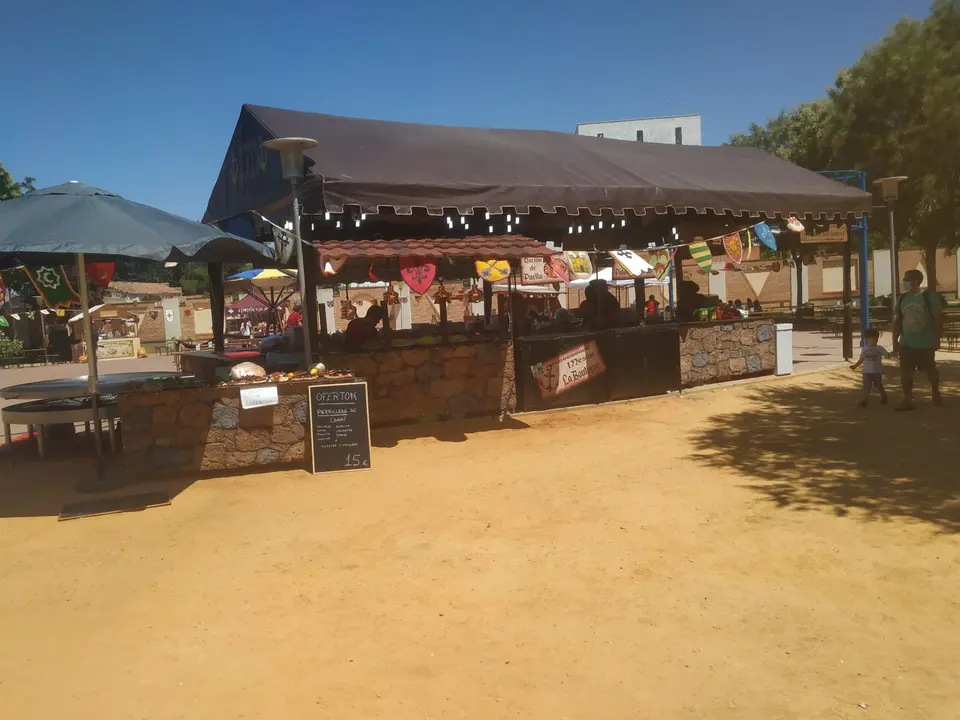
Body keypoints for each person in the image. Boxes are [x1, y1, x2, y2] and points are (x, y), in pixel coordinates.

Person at [893, 269, 943, 410]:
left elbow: (937, 319)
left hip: (925, 344)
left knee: (931, 372)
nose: (904, 281)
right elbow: (897, 320)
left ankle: (935, 391)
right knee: (905, 373)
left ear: (916, 281)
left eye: (907, 279)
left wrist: (936, 339)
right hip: (906, 344)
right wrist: (894, 340)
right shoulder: (902, 299)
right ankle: (907, 400)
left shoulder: (928, 297)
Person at [850, 327, 889, 408]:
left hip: (877, 371)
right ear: (866, 339)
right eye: (871, 338)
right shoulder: (865, 349)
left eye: (875, 338)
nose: (873, 340)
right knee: (866, 386)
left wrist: (891, 354)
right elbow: (861, 359)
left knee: (878, 384)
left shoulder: (879, 348)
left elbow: (887, 355)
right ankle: (865, 400)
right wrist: (855, 366)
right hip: (866, 372)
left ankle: (883, 395)